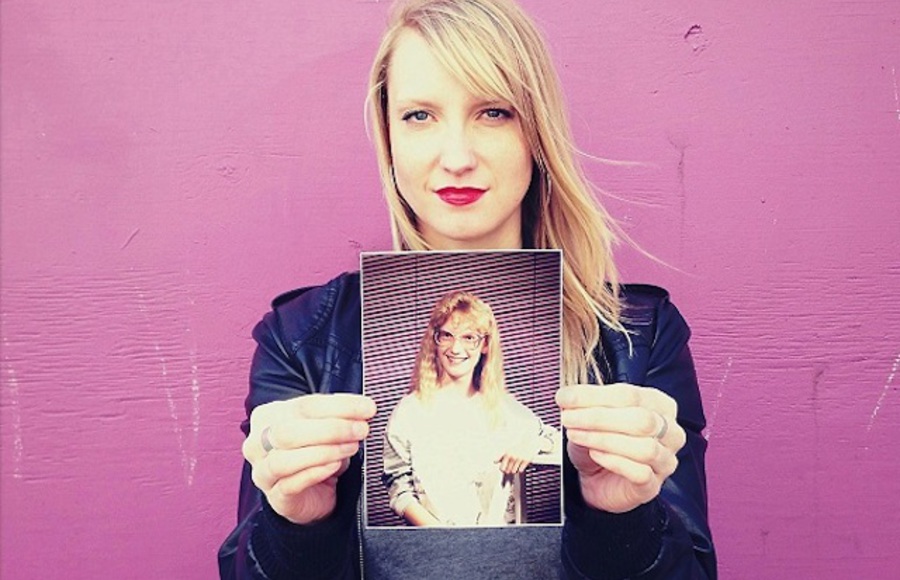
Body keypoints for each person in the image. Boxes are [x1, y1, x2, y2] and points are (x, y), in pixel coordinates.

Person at [219, 0, 716, 578]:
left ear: (537, 131)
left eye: (494, 112)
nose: (456, 157)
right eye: (419, 116)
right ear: (387, 135)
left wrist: (621, 520)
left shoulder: (638, 337)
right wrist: (296, 524)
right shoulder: (301, 340)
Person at [381, 290, 560, 527]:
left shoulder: (503, 407)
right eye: (447, 335)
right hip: (435, 547)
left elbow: (557, 441)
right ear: (434, 340)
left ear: (485, 344)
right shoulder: (409, 411)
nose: (456, 349)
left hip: (500, 549)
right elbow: (399, 489)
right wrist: (444, 537)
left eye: (469, 338)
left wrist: (533, 444)